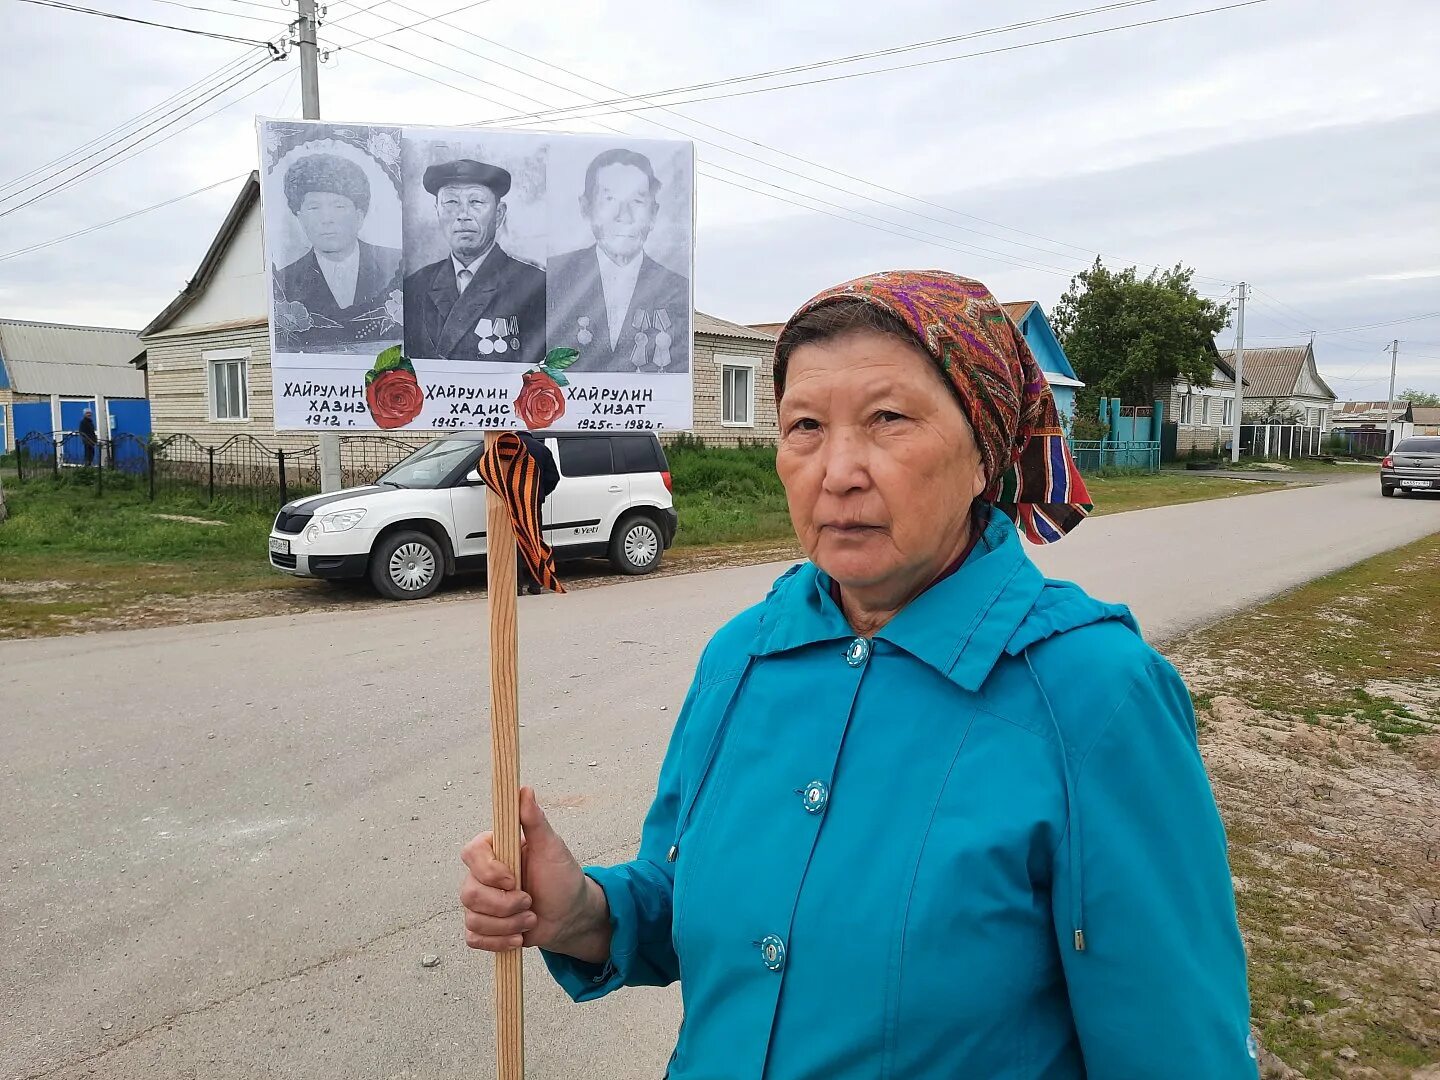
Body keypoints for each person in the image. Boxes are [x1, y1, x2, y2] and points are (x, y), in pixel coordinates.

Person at [460, 271, 1257, 1078]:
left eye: (888, 419)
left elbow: (1180, 1049)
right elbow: (687, 904)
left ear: (984, 453)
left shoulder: (1096, 693)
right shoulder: (743, 656)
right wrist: (580, 914)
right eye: (805, 425)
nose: (838, 470)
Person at [548, 149, 689, 374]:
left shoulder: (679, 290)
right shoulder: (551, 277)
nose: (624, 216)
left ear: (653, 214)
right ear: (586, 208)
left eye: (637, 201)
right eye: (609, 199)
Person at [403, 159, 546, 367]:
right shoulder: (414, 287)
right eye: (451, 202)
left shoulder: (536, 285)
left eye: (476, 202)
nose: (463, 215)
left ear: (499, 214)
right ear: (437, 211)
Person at [275, 153, 403, 348]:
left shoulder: (397, 264)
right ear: (299, 217)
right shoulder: (284, 281)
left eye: (339, 206)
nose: (327, 219)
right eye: (314, 207)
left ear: (360, 215)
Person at [516, 430, 559, 595]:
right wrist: (541, 492)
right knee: (534, 541)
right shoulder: (541, 449)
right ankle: (535, 584)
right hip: (533, 502)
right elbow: (553, 477)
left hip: (512, 501)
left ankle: (517, 586)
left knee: (515, 543)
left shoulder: (506, 446)